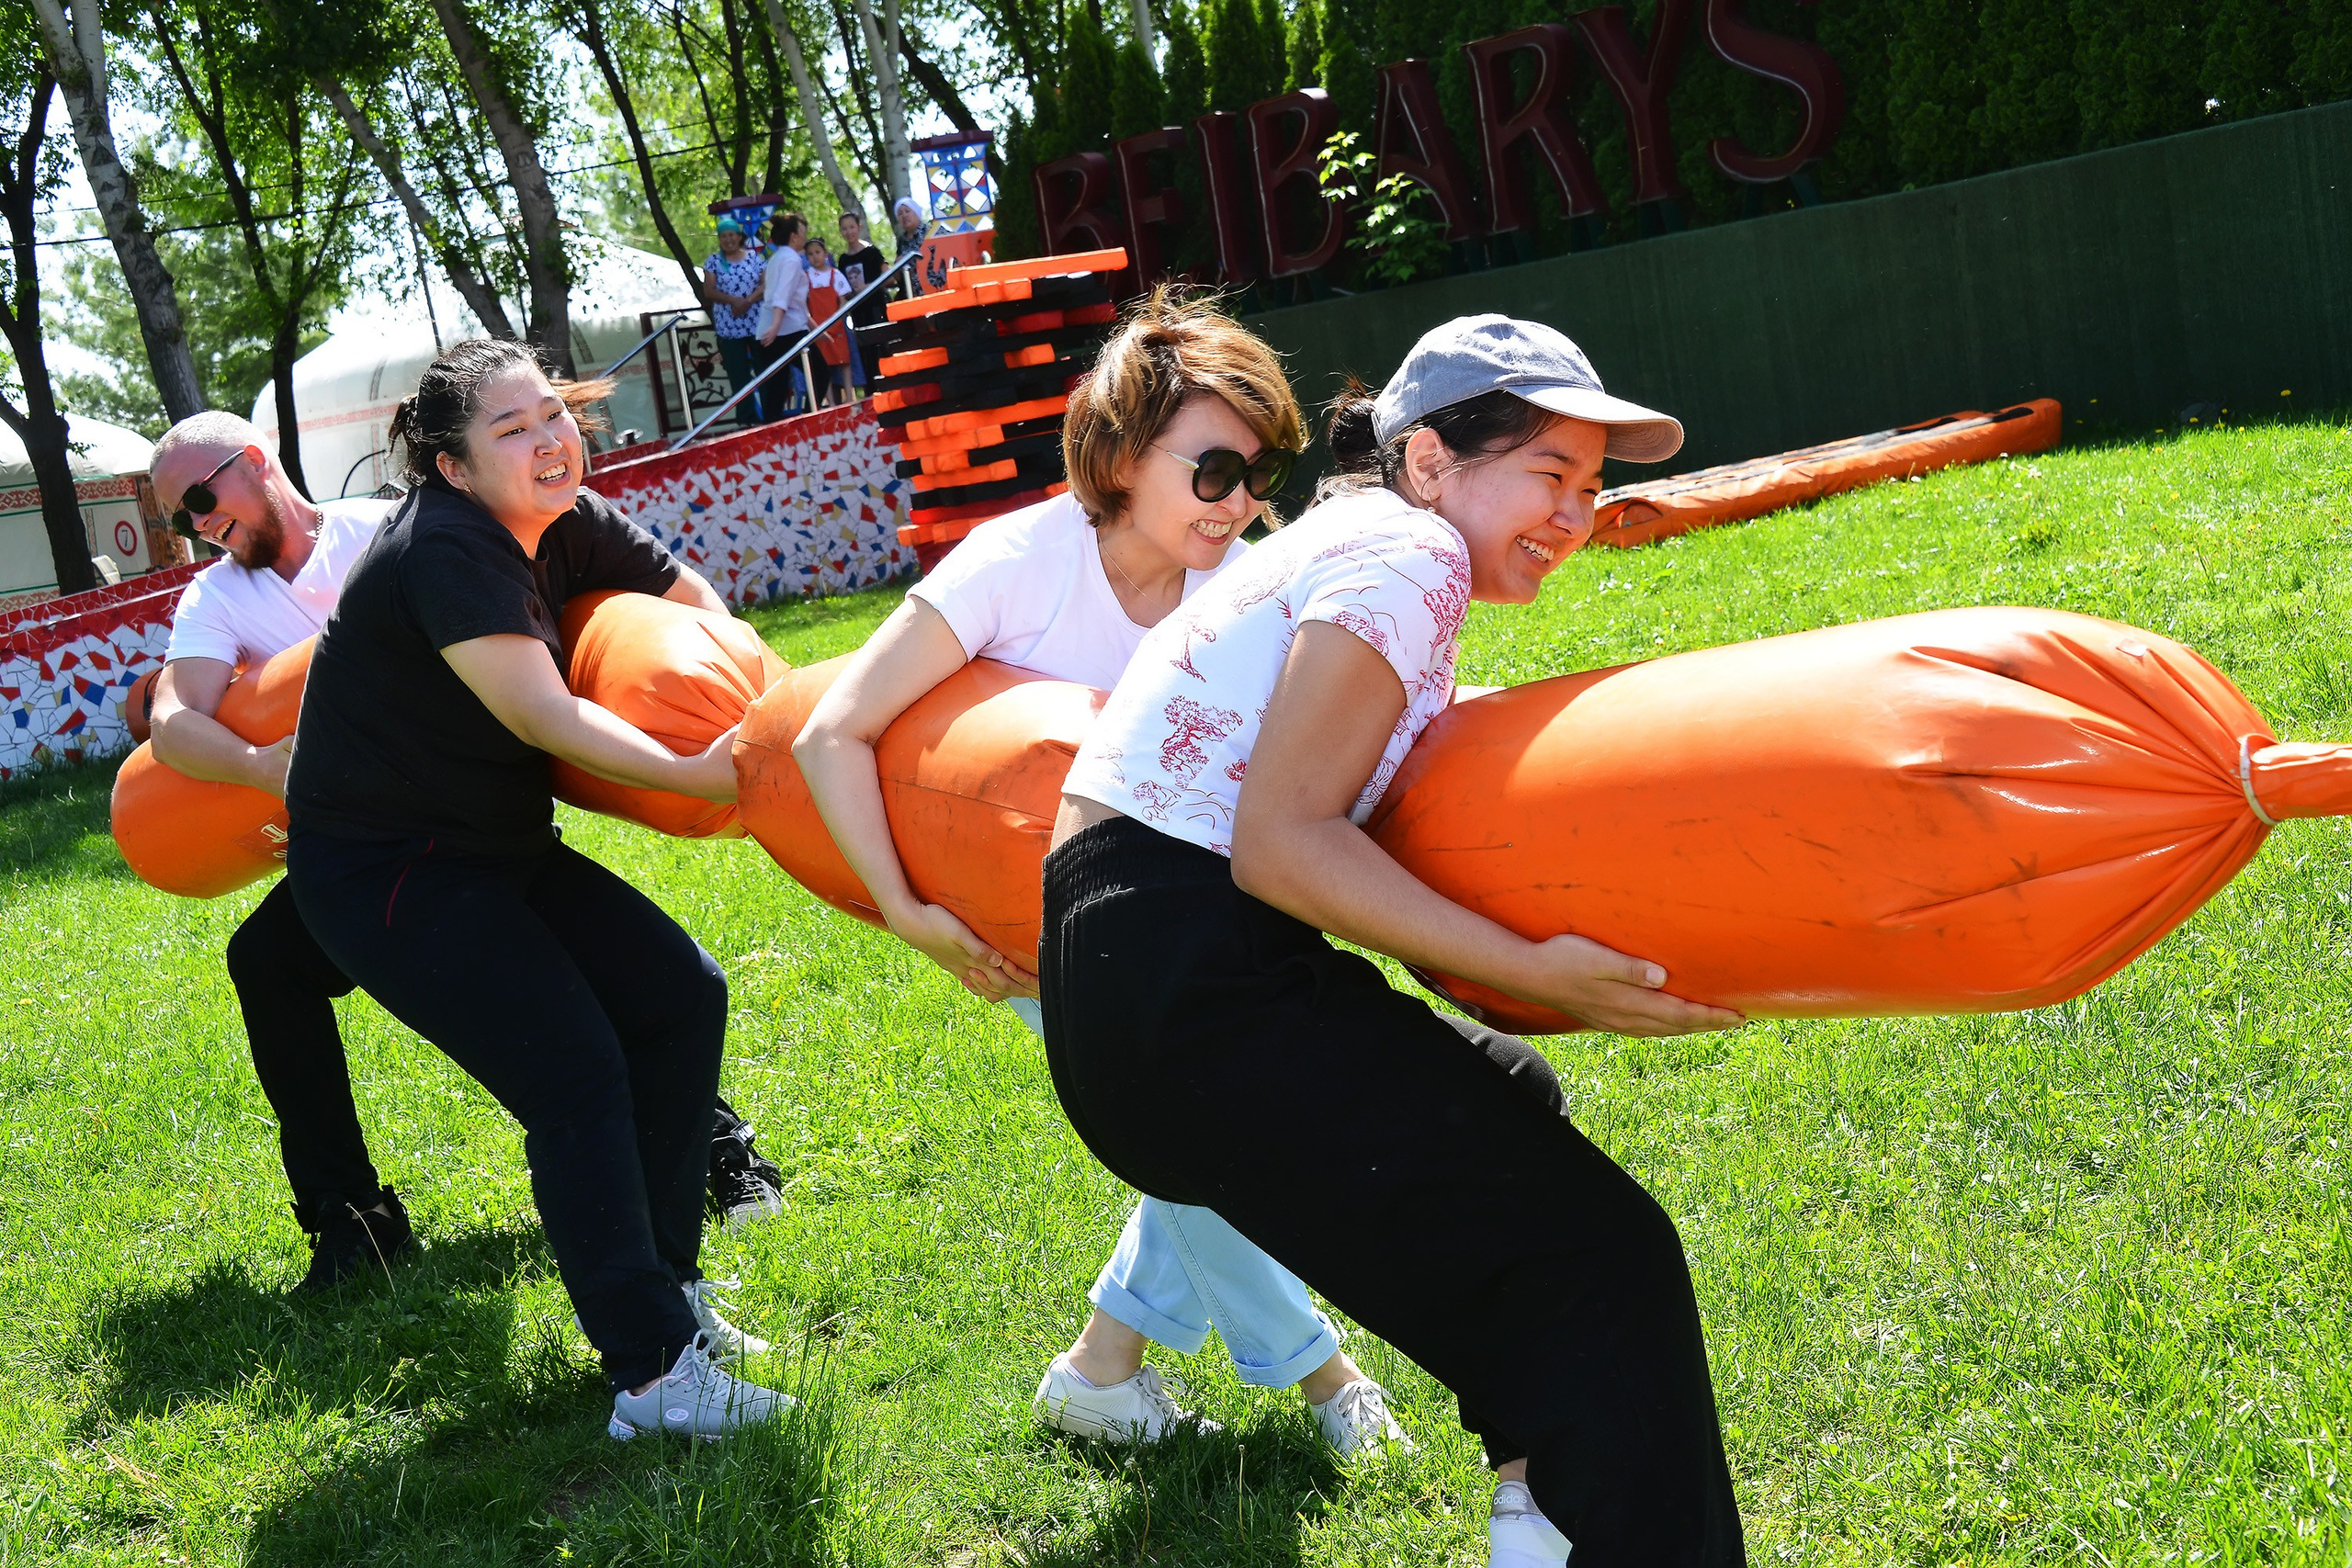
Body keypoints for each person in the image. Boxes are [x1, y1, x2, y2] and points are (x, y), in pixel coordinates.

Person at [1044, 316, 1747, 1565]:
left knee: (1511, 1097)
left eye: (1593, 485)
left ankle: (1543, 1501)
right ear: (1428, 460)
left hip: (1133, 982)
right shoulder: (1412, 553)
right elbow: (1281, 844)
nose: (1575, 512)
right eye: (1548, 474)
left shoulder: (1344, 541)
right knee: (1607, 1258)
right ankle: (1575, 1522)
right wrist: (1531, 967)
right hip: (1188, 973)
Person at [794, 290, 1412, 1458]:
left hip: (1190, 907)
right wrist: (906, 912)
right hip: (1030, 921)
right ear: (1122, 453)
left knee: (1190, 1112)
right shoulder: (1018, 563)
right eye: (1214, 468)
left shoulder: (1239, 580)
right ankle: (1327, 1378)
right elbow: (837, 731)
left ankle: (1100, 1372)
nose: (1240, 504)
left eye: (1259, 470)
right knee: (1202, 1113)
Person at [143, 418, 790, 1297]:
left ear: (254, 463)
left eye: (199, 500)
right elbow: (176, 719)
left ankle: (706, 1144)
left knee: (593, 982)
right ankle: (350, 1218)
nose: (195, 527)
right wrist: (260, 763)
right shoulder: (217, 602)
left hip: (477, 813)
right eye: (178, 520)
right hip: (367, 846)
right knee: (268, 959)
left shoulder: (386, 531)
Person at [282, 337, 790, 1439]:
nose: (549, 439)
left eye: (551, 413)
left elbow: (691, 599)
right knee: (574, 1076)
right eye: (510, 429)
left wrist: (768, 699)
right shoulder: (449, 549)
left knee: (678, 995)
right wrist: (710, 773)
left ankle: (666, 1299)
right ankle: (654, 1381)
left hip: (490, 846)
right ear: (454, 467)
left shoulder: (566, 514)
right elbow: (544, 717)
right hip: (382, 871)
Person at [702, 218, 769, 426]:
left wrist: (747, 301)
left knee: (765, 369)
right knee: (738, 375)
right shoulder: (713, 261)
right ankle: (746, 419)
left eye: (732, 235)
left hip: (757, 324)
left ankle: (770, 414)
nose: (728, 239)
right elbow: (709, 290)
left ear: (739, 237)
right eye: (723, 236)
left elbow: (766, 284)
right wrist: (733, 301)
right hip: (729, 328)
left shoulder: (754, 258)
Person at [755, 211, 811, 416]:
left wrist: (815, 328)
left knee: (776, 389)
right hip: (786, 331)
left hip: (778, 328)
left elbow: (795, 302)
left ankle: (772, 433)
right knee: (819, 374)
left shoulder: (776, 258)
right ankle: (811, 418)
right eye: (803, 232)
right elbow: (782, 295)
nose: (806, 236)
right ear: (794, 236)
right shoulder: (792, 260)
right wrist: (776, 326)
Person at [836, 209, 888, 392]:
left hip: (876, 308)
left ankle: (887, 385)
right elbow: (842, 287)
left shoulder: (872, 252)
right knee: (863, 351)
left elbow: (889, 277)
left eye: (852, 227)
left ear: (859, 227)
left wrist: (869, 286)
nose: (849, 232)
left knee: (880, 347)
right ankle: (870, 391)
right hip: (857, 312)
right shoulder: (843, 260)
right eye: (844, 229)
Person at [800, 239, 854, 407]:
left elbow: (843, 299)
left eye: (818, 252)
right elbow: (803, 301)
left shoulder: (835, 274)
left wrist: (839, 317)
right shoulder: (806, 277)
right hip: (818, 327)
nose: (815, 257)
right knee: (824, 364)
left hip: (836, 323)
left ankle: (850, 399)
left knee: (843, 360)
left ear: (825, 253)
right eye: (810, 254)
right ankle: (831, 403)